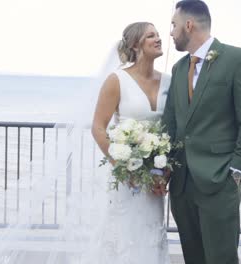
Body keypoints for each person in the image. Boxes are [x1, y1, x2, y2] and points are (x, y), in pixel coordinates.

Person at [160, 0, 241, 263]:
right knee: (193, 258)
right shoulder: (179, 67)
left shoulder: (238, 60)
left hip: (219, 181)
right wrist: (162, 167)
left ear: (189, 25)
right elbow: (171, 122)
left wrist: (237, 172)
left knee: (221, 258)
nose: (171, 32)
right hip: (182, 184)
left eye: (174, 25)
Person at [90, 21, 171, 263]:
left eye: (158, 35)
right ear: (136, 45)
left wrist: (163, 174)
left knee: (150, 238)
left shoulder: (169, 81)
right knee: (126, 239)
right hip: (128, 179)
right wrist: (124, 168)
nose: (158, 39)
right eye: (150, 36)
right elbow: (98, 127)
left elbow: (173, 132)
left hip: (156, 179)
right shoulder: (117, 80)